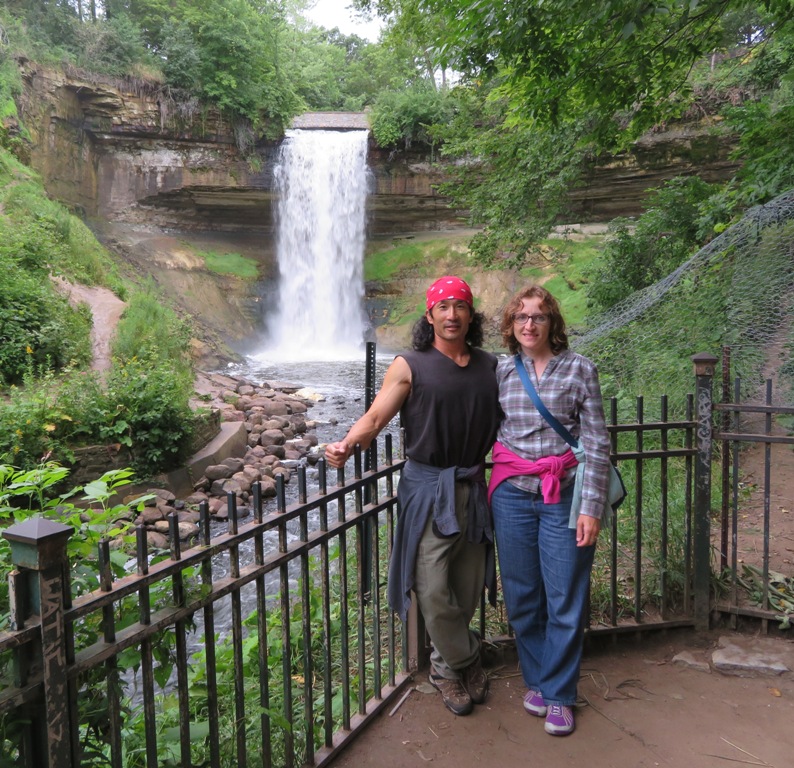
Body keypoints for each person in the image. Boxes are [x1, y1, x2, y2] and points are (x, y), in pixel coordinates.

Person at [325, 276, 499, 717]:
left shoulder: (489, 366)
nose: (452, 314)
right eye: (443, 306)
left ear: (470, 314)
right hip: (427, 489)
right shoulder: (410, 364)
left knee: (465, 585)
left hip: (473, 486)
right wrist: (347, 444)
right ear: (429, 315)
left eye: (460, 306)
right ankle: (467, 657)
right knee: (433, 586)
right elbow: (377, 412)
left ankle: (444, 668)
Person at [488, 284, 610, 736]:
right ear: (510, 325)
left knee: (565, 595)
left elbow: (596, 443)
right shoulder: (502, 371)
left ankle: (560, 693)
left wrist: (592, 507)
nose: (529, 324)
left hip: (565, 494)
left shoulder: (580, 370)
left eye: (538, 316)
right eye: (520, 317)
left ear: (552, 322)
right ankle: (539, 680)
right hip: (513, 494)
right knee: (522, 595)